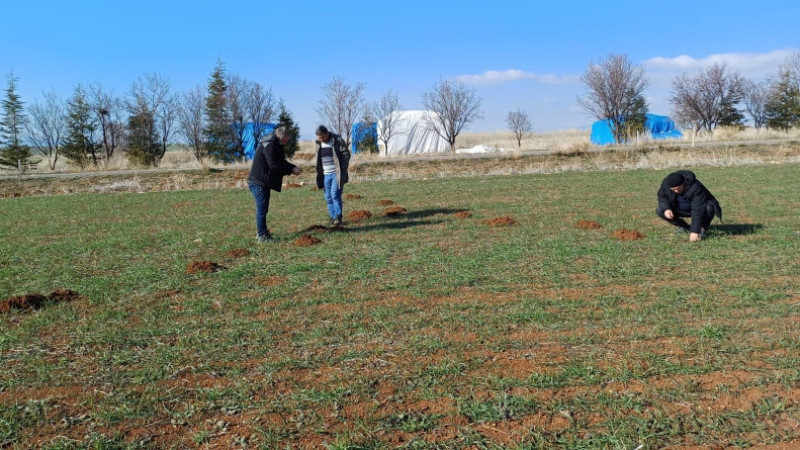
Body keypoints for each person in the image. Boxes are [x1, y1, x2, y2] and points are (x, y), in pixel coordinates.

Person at [247, 126, 302, 242]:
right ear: (280, 136)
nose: (286, 142)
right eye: (286, 140)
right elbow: (274, 166)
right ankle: (262, 236)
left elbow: (280, 162)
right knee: (262, 209)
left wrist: (292, 167)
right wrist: (291, 170)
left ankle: (262, 233)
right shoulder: (270, 146)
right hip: (258, 182)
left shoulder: (275, 145)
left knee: (263, 208)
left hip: (262, 182)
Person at [656, 170, 722, 242]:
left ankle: (702, 229)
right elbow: (662, 197)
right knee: (660, 210)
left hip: (701, 208)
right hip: (680, 209)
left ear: (683, 183)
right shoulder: (666, 185)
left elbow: (698, 209)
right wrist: (666, 209)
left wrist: (695, 231)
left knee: (709, 207)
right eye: (673, 190)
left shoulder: (696, 187)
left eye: (678, 188)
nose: (676, 191)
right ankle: (684, 227)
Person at [314, 125, 351, 226]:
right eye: (319, 138)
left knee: (335, 194)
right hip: (325, 175)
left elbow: (346, 154)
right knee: (328, 197)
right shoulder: (319, 144)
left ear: (327, 133)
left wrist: (342, 168)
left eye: (323, 137)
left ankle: (338, 218)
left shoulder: (337, 140)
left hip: (336, 173)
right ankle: (333, 217)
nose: (321, 139)